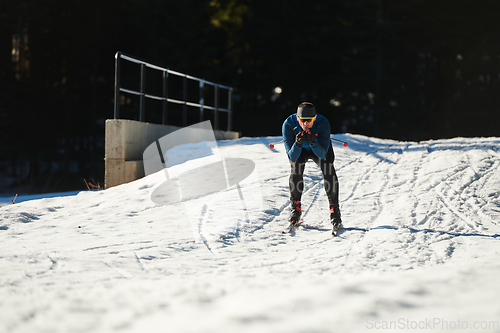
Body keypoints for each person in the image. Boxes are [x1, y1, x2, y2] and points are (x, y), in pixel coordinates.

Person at [282, 102, 342, 232]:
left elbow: (322, 153)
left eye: (309, 120)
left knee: (328, 168)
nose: (305, 124)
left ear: (314, 118)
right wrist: (298, 143)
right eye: (302, 120)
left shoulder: (322, 123)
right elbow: (292, 157)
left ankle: (334, 209)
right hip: (299, 150)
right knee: (296, 168)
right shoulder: (288, 124)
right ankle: (295, 208)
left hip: (319, 147)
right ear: (297, 118)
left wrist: (313, 142)